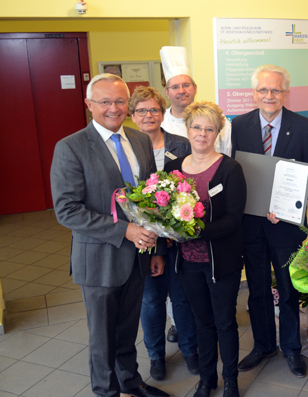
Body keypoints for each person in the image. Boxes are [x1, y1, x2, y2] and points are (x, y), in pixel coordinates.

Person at [50, 73, 169, 397]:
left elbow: (151, 201)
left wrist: (155, 248)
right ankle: (106, 391)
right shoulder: (71, 147)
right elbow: (68, 210)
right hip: (99, 259)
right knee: (102, 335)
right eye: (105, 102)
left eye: (119, 101)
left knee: (128, 329)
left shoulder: (141, 140)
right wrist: (125, 231)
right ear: (89, 105)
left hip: (138, 257)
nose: (113, 108)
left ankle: (130, 381)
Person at [231, 64, 308, 378]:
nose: (269, 96)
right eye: (263, 90)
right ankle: (263, 345)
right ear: (253, 93)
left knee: (287, 290)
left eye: (275, 90)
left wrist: (286, 208)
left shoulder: (304, 127)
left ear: (287, 93)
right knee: (256, 289)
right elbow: (236, 174)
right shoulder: (238, 125)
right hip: (252, 225)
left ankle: (291, 349)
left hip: (286, 227)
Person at [163, 101, 246, 397]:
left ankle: (231, 380)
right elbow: (165, 211)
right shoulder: (173, 168)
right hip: (186, 262)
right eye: (197, 127)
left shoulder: (230, 169)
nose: (202, 134)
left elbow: (233, 220)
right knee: (202, 322)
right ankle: (207, 379)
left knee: (224, 322)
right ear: (187, 130)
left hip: (220, 261)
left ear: (217, 133)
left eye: (209, 129)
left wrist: (195, 231)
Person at [129, 86, 200, 380]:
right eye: (142, 110)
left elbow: (191, 190)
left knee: (183, 298)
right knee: (151, 299)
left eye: (154, 110)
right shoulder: (127, 146)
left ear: (163, 112)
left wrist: (177, 228)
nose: (149, 115)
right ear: (132, 116)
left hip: (178, 238)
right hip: (143, 238)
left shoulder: (181, 144)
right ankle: (156, 355)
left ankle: (191, 350)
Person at [160, 46, 232, 155]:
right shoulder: (161, 123)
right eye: (175, 87)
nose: (181, 91)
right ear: (167, 93)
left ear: (195, 88)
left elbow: (229, 154)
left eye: (186, 85)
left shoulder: (217, 118)